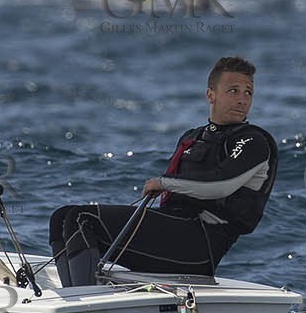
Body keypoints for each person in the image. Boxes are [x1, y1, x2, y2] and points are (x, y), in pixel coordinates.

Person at [48, 55, 276, 287]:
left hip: (200, 246)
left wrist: (164, 182)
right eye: (233, 91)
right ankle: (74, 295)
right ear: (210, 95)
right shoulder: (193, 137)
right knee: (61, 217)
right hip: (175, 230)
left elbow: (220, 185)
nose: (242, 100)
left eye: (248, 93)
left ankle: (85, 303)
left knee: (81, 219)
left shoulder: (253, 141)